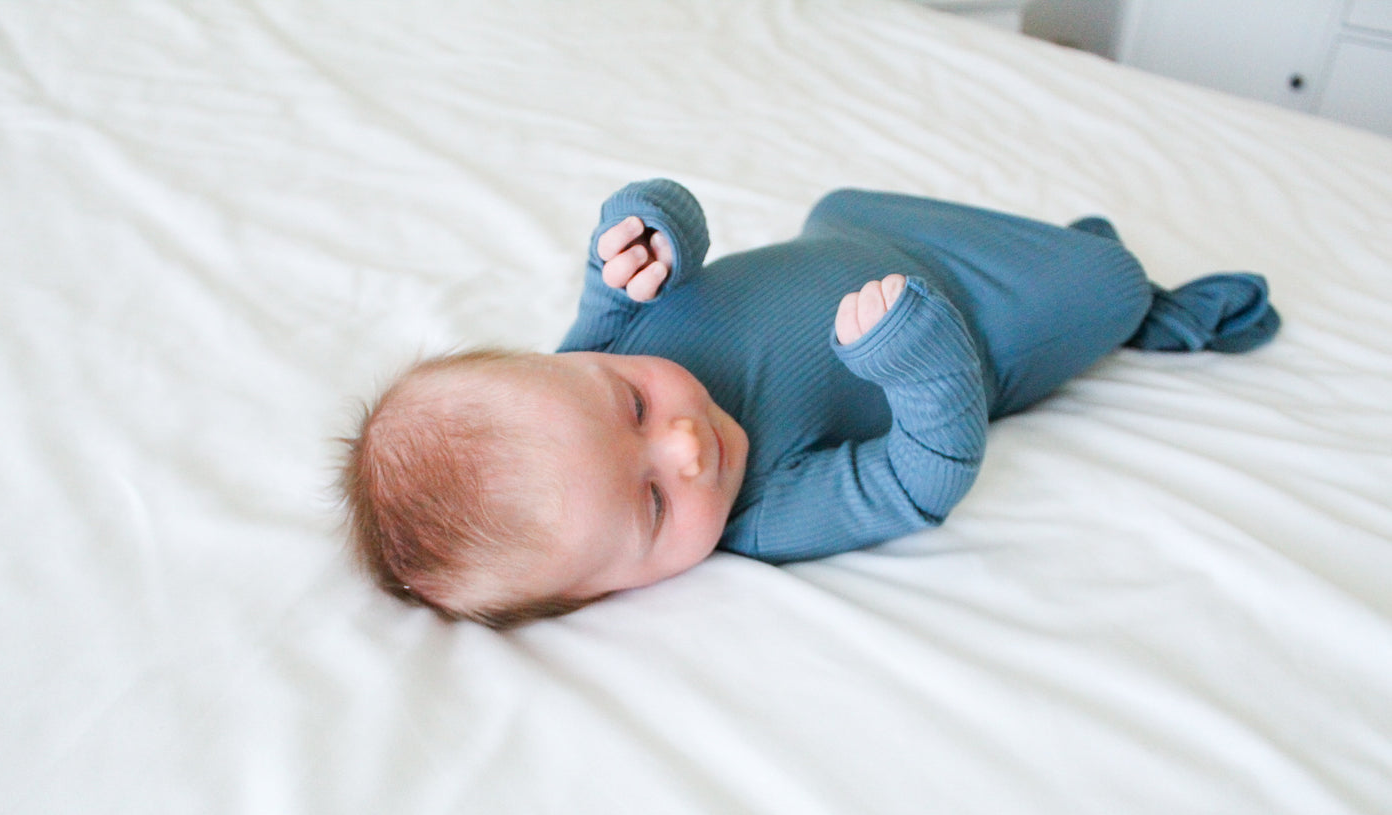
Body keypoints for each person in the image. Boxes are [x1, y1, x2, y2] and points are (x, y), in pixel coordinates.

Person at [340, 178, 1279, 627]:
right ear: (602, 590)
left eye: (631, 409)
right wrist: (916, 360)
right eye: (655, 504)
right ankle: (1147, 309)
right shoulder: (766, 511)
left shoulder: (598, 350)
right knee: (1104, 279)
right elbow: (923, 479)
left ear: (566, 365)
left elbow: (654, 222)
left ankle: (1053, 251)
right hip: (972, 323)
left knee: (841, 198)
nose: (685, 446)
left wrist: (648, 231)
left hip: (852, 230)